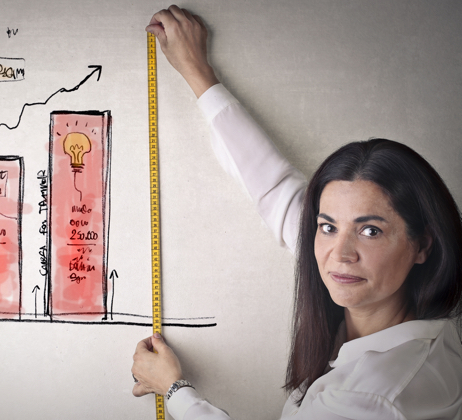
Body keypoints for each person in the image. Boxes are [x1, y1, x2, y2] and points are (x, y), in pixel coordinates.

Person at [132, 5, 462, 420]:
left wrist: (175, 389)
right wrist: (200, 75)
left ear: (422, 244)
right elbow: (273, 189)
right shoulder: (422, 330)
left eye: (371, 231)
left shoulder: (374, 400)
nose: (339, 253)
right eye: (328, 226)